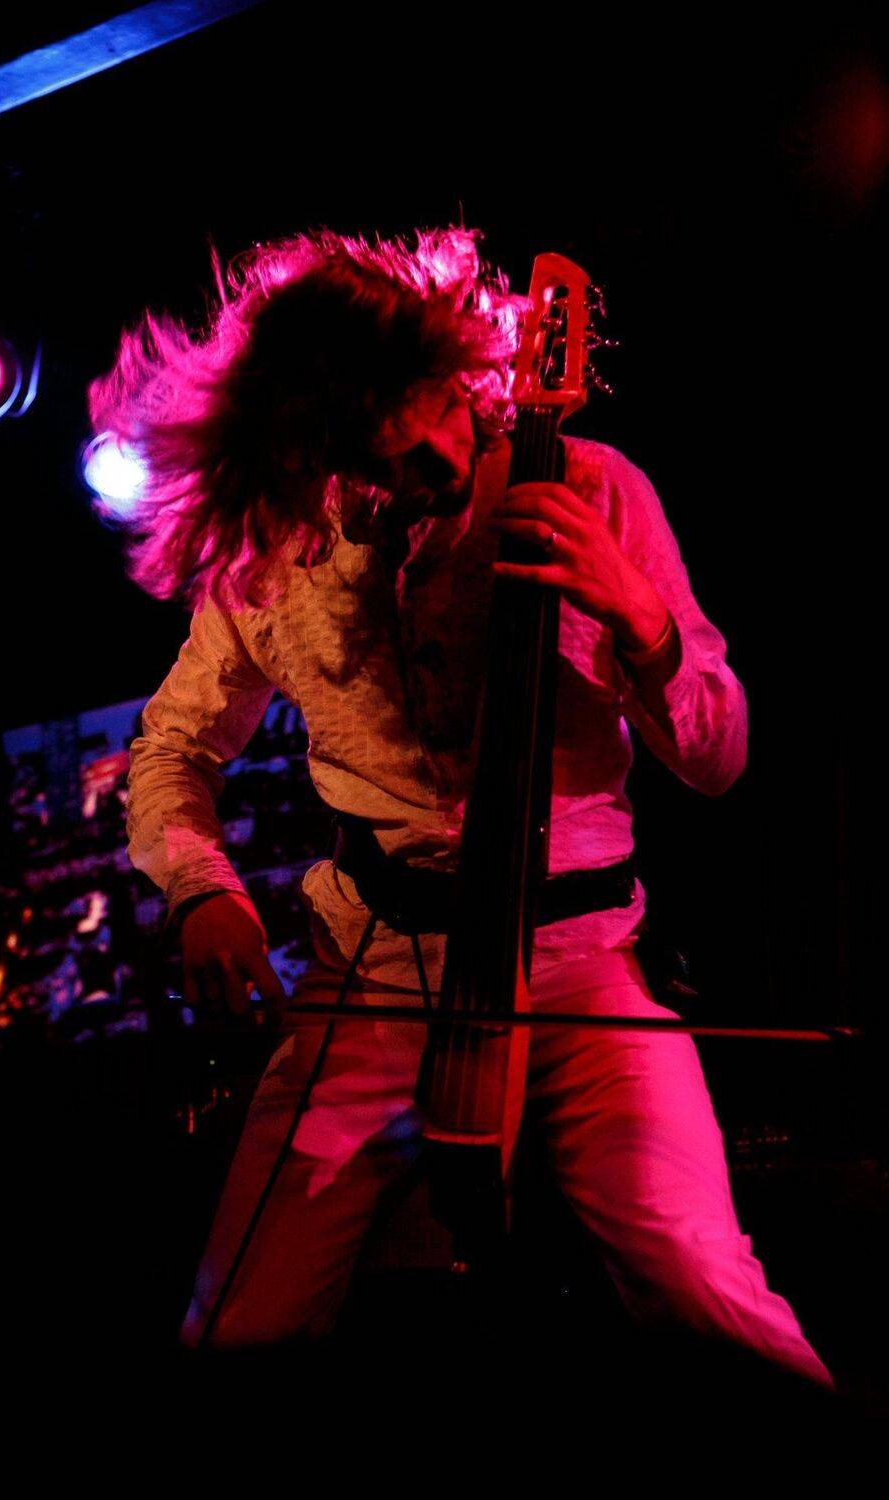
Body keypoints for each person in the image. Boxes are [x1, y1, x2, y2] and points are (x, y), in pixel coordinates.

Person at [91, 226, 832, 1385]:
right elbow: (174, 744)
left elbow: (718, 758)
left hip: (583, 965)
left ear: (461, 368)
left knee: (699, 1283)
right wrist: (199, 889)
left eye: (440, 416)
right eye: (382, 460)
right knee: (233, 1325)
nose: (433, 461)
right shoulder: (274, 548)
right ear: (313, 449)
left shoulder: (593, 487)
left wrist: (641, 620)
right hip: (371, 978)